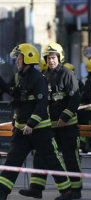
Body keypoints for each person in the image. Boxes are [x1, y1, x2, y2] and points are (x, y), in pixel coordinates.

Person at [0, 43, 73, 200]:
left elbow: (41, 105)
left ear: (28, 58)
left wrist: (31, 124)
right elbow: (14, 96)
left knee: (52, 160)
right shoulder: (20, 77)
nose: (17, 61)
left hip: (40, 130)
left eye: (19, 58)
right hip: (22, 130)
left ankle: (67, 192)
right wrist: (16, 122)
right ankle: (2, 192)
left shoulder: (39, 78)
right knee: (12, 161)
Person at [19, 42, 82, 199]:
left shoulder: (68, 74)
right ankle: (36, 188)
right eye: (48, 58)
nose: (51, 60)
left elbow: (75, 99)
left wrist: (65, 117)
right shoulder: (43, 75)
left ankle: (75, 191)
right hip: (48, 126)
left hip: (67, 126)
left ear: (59, 58)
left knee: (70, 157)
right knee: (41, 156)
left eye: (53, 57)